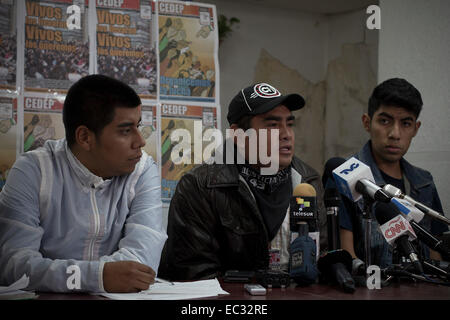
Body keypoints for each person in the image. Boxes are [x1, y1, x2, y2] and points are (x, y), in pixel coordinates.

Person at [0, 74, 167, 292]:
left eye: (138, 126)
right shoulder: (34, 171)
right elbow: (15, 267)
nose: (140, 141)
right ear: (85, 138)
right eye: (126, 130)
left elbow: (141, 266)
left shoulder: (143, 170)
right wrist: (97, 278)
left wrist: (71, 277)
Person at [158, 82, 327, 280]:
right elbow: (193, 274)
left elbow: (322, 258)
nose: (286, 135)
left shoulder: (308, 181)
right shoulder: (200, 187)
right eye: (273, 125)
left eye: (289, 124)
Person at [337, 78, 448, 269]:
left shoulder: (424, 182)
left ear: (415, 128)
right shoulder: (346, 176)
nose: (395, 134)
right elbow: (347, 255)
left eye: (405, 123)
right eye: (385, 121)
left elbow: (435, 253)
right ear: (367, 122)